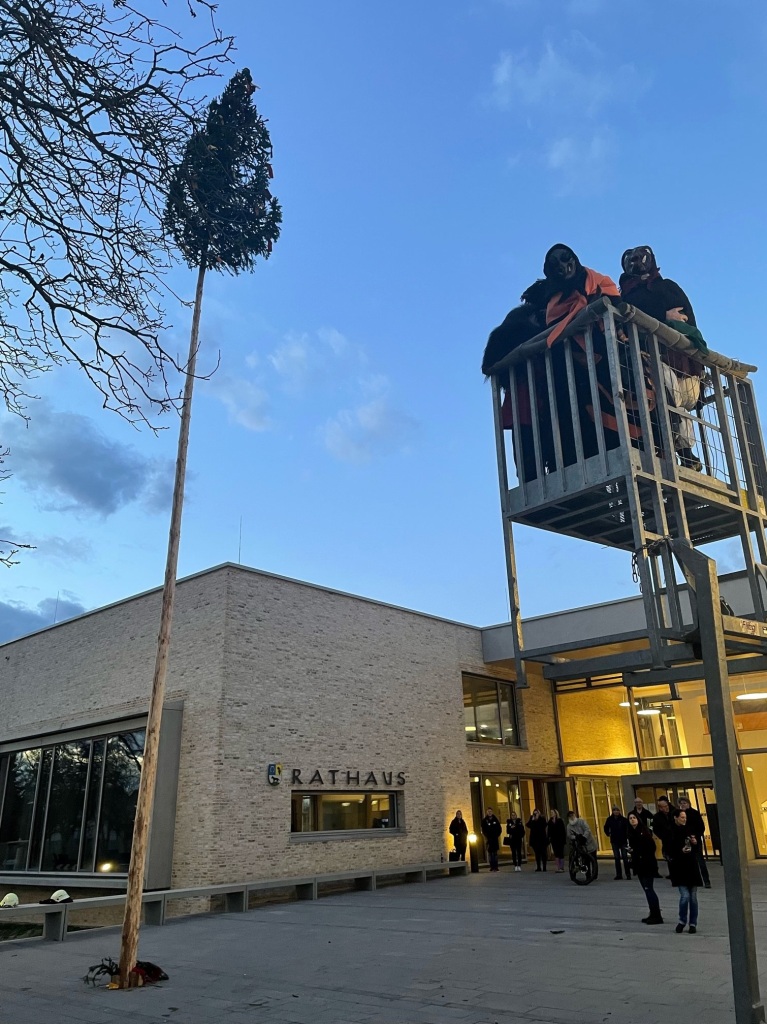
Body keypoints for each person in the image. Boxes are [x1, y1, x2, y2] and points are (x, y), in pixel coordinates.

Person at [619, 245, 707, 471]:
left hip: (686, 369)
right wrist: (664, 316)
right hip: (658, 363)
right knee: (669, 399)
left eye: (641, 257)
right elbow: (633, 317)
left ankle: (683, 453)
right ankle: (683, 454)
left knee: (676, 403)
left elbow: (688, 321)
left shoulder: (667, 287)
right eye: (633, 259)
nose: (637, 262)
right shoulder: (626, 298)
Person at [668, 808, 703, 933]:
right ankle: (682, 920)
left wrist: (695, 843)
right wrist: (680, 851)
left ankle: (692, 923)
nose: (684, 819)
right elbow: (669, 850)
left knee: (693, 897)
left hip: (691, 866)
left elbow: (697, 847)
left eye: (685, 817)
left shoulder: (689, 829)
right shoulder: (671, 831)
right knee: (685, 896)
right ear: (676, 817)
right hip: (679, 867)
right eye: (682, 817)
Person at [626, 811, 663, 924]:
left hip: (646, 864)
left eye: (634, 818)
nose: (632, 820)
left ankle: (657, 915)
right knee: (646, 890)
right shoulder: (632, 832)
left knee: (649, 889)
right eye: (630, 818)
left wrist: (635, 851)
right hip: (639, 864)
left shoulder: (643, 832)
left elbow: (650, 848)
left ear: (638, 819)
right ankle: (652, 913)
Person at [678, 796, 711, 889]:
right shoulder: (679, 814)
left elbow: (701, 827)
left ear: (688, 803)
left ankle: (706, 881)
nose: (683, 805)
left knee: (700, 861)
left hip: (695, 840)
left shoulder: (694, 813)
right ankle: (692, 880)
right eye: (681, 803)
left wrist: (695, 836)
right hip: (684, 841)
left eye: (684, 803)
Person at [651, 795, 678, 878]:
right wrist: (662, 836)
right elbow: (655, 828)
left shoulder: (675, 812)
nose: (664, 808)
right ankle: (672, 874)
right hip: (666, 839)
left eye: (665, 806)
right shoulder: (657, 817)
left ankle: (678, 873)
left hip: (676, 838)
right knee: (669, 857)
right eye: (661, 807)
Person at [566, 810, 599, 879]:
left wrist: (584, 837)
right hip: (581, 846)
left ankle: (594, 874)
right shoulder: (569, 826)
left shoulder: (581, 822)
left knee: (593, 860)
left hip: (590, 843)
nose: (572, 817)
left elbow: (587, 829)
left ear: (574, 815)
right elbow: (569, 835)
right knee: (586, 861)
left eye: (572, 816)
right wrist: (576, 837)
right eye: (570, 816)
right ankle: (588, 875)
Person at [603, 805, 631, 880]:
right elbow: (605, 827)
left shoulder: (624, 820)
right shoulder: (609, 819)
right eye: (614, 810)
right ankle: (619, 874)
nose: (616, 811)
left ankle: (628, 874)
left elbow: (627, 829)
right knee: (617, 857)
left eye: (617, 810)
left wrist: (627, 836)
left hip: (623, 840)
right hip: (614, 840)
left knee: (625, 857)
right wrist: (608, 834)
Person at [481, 807, 502, 872]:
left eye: (490, 811)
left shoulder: (495, 820)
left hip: (495, 839)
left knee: (495, 853)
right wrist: (486, 836)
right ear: (487, 812)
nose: (489, 812)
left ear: (492, 812)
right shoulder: (484, 820)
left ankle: (496, 866)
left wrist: (497, 835)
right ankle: (492, 866)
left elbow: (499, 829)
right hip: (489, 839)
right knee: (490, 854)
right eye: (488, 811)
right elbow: (483, 830)